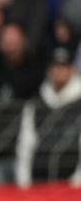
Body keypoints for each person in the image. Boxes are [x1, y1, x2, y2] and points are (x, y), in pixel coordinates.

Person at [14, 45, 81, 186]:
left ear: (72, 69)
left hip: (72, 185)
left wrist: (76, 183)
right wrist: (24, 181)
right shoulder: (37, 102)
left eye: (64, 66)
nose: (59, 71)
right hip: (39, 181)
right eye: (55, 66)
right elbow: (26, 144)